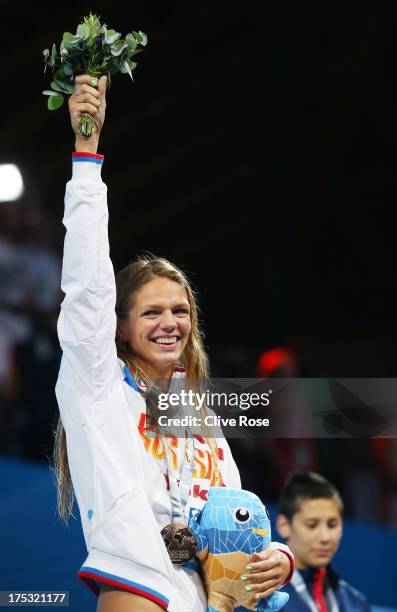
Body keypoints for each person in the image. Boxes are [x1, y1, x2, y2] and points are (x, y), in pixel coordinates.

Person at [54, 73, 294, 612]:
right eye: (151, 311)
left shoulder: (196, 412)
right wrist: (86, 156)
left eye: (181, 311)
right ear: (119, 326)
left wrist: (276, 556)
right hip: (138, 585)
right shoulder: (98, 386)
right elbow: (87, 289)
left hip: (203, 597)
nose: (170, 323)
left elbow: (231, 514)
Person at [276, 471, 370, 612]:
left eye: (332, 525)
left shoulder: (356, 604)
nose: (325, 537)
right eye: (312, 525)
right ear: (284, 526)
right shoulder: (263, 601)